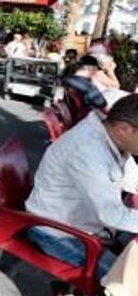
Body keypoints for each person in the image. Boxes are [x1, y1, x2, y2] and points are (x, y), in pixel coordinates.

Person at [25, 94, 138, 280]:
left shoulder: (112, 137)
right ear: (124, 129)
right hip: (56, 233)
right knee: (127, 280)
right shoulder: (88, 151)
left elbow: (132, 178)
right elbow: (112, 214)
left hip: (81, 225)